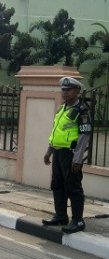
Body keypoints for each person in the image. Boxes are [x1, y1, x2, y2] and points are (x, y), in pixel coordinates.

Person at [42, 76, 92, 234]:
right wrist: (49, 151)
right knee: (57, 185)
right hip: (58, 152)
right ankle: (61, 216)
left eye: (68, 90)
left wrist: (77, 159)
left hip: (71, 155)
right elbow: (57, 132)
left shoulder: (82, 111)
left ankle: (78, 220)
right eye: (63, 90)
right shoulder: (62, 108)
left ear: (77, 91)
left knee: (73, 187)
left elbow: (84, 137)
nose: (65, 93)